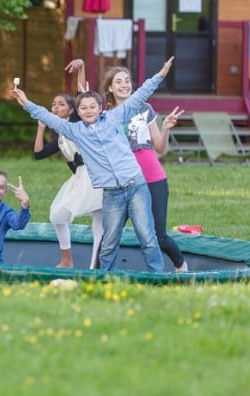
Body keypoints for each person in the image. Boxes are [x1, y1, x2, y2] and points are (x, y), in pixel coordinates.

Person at [10, 57, 175, 273]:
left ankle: (157, 276)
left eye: (92, 107)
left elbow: (140, 95)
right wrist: (25, 102)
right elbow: (47, 117)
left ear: (100, 108)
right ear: (78, 112)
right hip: (112, 193)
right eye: (83, 108)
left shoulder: (115, 117)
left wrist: (160, 75)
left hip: (136, 185)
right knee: (109, 241)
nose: (88, 111)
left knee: (147, 235)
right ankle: (105, 279)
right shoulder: (75, 131)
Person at [103, 66, 189, 272]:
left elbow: (159, 148)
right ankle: (99, 275)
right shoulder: (106, 116)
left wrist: (165, 128)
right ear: (110, 88)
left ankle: (180, 265)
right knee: (109, 237)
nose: (124, 85)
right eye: (118, 82)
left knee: (158, 236)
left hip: (153, 179)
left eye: (127, 80)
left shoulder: (145, 109)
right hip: (123, 182)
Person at [32, 59, 103, 268]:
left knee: (99, 220)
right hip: (78, 177)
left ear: (73, 110)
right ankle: (67, 260)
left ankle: (95, 266)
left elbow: (82, 95)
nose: (55, 107)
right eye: (53, 104)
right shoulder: (61, 136)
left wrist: (81, 67)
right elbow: (38, 154)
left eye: (61, 104)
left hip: (94, 174)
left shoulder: (77, 123)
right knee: (57, 215)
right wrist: (41, 128)